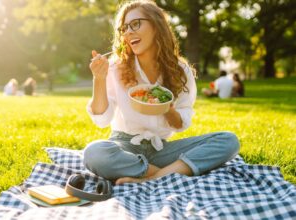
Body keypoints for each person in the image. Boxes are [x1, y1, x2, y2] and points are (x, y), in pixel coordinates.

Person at [83, 0, 240, 185]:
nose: (128, 32)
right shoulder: (115, 68)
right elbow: (102, 120)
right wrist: (99, 79)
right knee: (94, 153)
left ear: (156, 25)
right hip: (125, 147)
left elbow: (181, 124)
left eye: (135, 24)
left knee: (229, 141)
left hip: (161, 150)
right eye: (124, 28)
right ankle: (168, 174)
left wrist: (167, 109)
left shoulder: (180, 71)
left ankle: (154, 178)